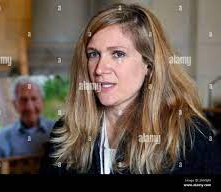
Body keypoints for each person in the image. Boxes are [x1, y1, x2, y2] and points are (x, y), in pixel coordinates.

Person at [40, 3, 220, 175]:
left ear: (149, 65)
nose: (100, 69)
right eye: (93, 54)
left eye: (118, 54)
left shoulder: (190, 136)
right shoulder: (67, 131)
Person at [0, 76, 55, 160]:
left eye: (34, 98)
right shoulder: (2, 139)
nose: (29, 107)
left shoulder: (58, 130)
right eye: (23, 100)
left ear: (42, 102)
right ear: (15, 104)